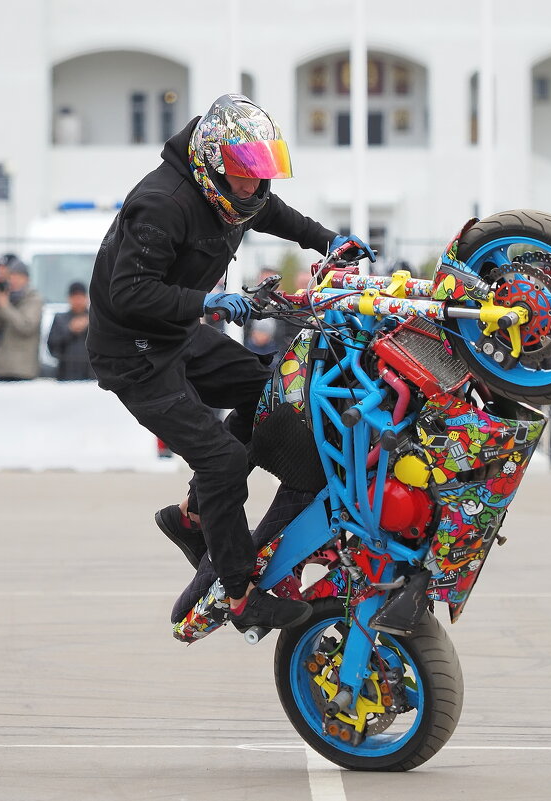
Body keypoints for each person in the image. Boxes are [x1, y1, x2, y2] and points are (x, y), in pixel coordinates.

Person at [85, 93, 373, 634]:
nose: (254, 187)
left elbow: (274, 212)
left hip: (175, 333)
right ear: (211, 166)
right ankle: (241, 597)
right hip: (133, 355)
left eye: (261, 176)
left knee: (266, 391)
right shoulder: (163, 204)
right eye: (244, 176)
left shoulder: (238, 193)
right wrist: (206, 302)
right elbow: (128, 293)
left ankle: (193, 517)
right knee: (219, 461)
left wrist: (328, 240)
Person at [0, 260, 43, 380]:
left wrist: (4, 305)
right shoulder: (7, 297)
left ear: (27, 279)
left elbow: (26, 326)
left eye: (17, 276)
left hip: (22, 369)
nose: (13, 281)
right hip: (2, 367)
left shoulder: (34, 299)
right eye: (10, 277)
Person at [47, 281, 95, 380]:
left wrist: (90, 327)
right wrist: (70, 331)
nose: (78, 301)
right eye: (74, 297)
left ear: (87, 298)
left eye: (80, 297)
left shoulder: (96, 319)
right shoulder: (60, 319)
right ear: (69, 298)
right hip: (66, 375)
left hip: (91, 376)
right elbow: (52, 348)